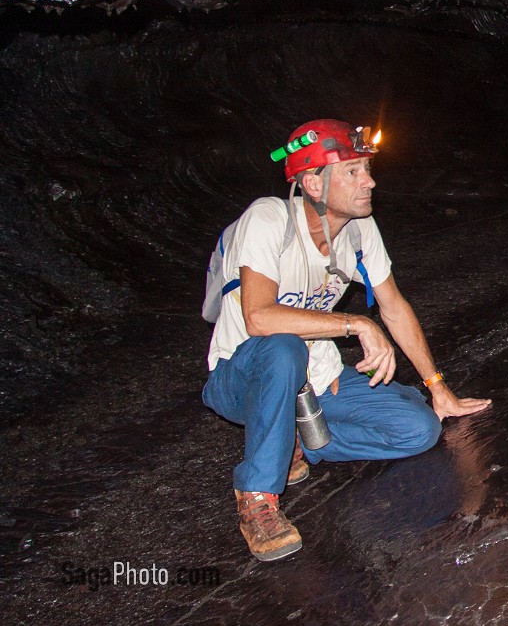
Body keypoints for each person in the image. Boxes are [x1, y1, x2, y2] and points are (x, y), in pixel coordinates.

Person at [202, 119, 491, 561]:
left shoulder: (359, 230)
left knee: (419, 429)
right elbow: (259, 317)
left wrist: (437, 387)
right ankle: (258, 497)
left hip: (315, 381)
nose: (369, 181)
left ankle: (295, 440)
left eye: (367, 169)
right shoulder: (269, 219)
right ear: (314, 184)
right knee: (284, 346)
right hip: (242, 376)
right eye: (353, 172)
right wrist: (355, 324)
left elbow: (393, 306)